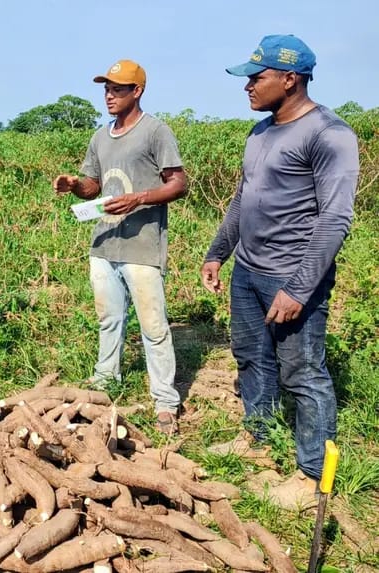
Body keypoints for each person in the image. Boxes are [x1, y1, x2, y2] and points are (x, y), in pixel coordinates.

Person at [201, 35, 359, 509]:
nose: (247, 86)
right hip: (248, 271)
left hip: (291, 277)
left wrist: (298, 288)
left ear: (290, 80)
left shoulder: (329, 135)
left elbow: (335, 220)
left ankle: (313, 477)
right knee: (251, 356)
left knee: (303, 373)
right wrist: (217, 253)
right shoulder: (261, 132)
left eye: (257, 77)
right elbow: (242, 199)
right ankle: (260, 437)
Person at [52, 60, 188, 434]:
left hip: (141, 246)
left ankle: (165, 402)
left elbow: (178, 184)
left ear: (137, 91)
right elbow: (93, 185)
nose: (109, 96)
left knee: (153, 326)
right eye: (106, 89)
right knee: (109, 319)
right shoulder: (100, 136)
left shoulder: (155, 132)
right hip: (104, 243)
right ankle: (104, 383)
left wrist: (139, 199)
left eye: (118, 89)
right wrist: (74, 185)